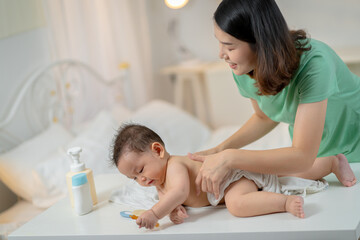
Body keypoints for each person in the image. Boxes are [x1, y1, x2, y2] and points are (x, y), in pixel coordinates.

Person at [188, 0, 358, 200]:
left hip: (354, 145)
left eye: (230, 47)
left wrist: (230, 158)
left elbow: (302, 156)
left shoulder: (315, 63)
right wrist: (220, 149)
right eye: (219, 42)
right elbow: (264, 117)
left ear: (261, 42)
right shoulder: (243, 67)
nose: (221, 54)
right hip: (318, 155)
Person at [111, 123, 351, 229]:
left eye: (140, 170)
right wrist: (174, 210)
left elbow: (180, 191)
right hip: (227, 185)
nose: (141, 180)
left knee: (237, 204)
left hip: (233, 178)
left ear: (158, 150)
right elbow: (176, 198)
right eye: (134, 179)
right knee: (288, 175)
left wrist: (155, 213)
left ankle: (285, 203)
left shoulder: (173, 166)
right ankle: (330, 163)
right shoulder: (160, 184)